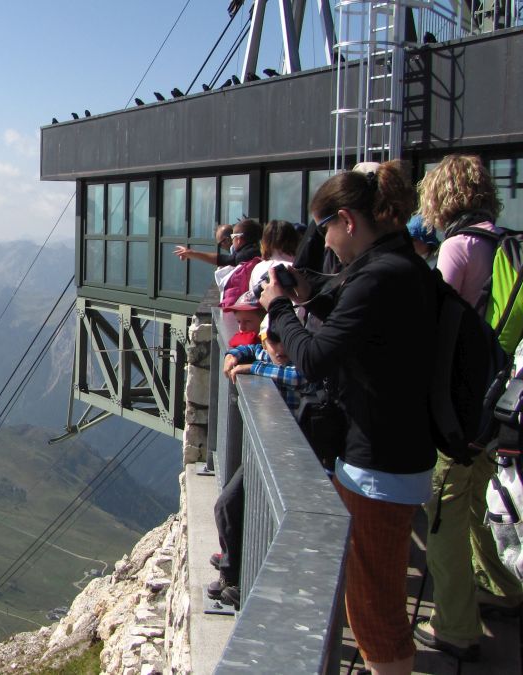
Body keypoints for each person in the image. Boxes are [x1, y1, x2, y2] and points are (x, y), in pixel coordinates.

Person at [260, 160, 436, 675]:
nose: (326, 244)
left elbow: (315, 358)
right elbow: (363, 340)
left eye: (326, 230)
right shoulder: (400, 266)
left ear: (347, 219)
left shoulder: (382, 275)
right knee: (373, 596)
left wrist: (279, 310)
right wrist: (309, 300)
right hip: (393, 452)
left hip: (379, 461)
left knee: (375, 608)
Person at [415, 154, 523, 661]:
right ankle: (502, 588)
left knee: (443, 516)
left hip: (460, 408)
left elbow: (433, 325)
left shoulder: (458, 247)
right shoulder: (507, 245)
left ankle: (457, 627)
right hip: (499, 402)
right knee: (476, 504)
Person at [210, 319, 308, 607]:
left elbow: (299, 377)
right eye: (274, 339)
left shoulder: (299, 365)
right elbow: (247, 348)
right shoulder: (264, 352)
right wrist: (235, 354)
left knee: (268, 520)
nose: (281, 347)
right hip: (268, 454)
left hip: (296, 459)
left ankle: (252, 585)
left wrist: (252, 368)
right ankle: (232, 574)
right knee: (228, 505)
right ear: (265, 339)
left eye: (287, 340)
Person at [174, 218, 262, 267]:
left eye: (232, 237)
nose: (231, 240)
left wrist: (192, 253)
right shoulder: (256, 250)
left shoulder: (244, 256)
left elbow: (223, 259)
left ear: (238, 239)